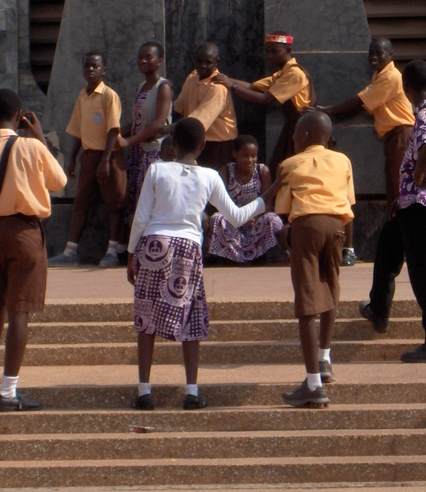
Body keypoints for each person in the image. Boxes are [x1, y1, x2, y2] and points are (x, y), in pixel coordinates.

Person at [127, 118, 277, 411]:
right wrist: (265, 199)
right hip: (188, 247)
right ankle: (192, 392)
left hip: (154, 243)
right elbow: (235, 216)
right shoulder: (209, 176)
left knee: (145, 318)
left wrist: (132, 254)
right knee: (192, 315)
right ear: (203, 146)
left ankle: (145, 391)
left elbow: (141, 217)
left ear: (174, 144)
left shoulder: (156, 169)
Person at [0, 89, 67, 412]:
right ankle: (8, 392)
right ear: (20, 115)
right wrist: (39, 140)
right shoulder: (32, 147)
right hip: (24, 232)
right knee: (19, 309)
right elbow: (59, 181)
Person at [358, 60, 426, 363]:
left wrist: (416, 178)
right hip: (411, 202)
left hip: (421, 202)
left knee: (425, 269)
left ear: (405, 86)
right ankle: (378, 307)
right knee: (388, 246)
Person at [273, 111, 354, 407]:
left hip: (306, 227)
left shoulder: (290, 164)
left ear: (305, 136)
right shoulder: (343, 160)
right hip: (337, 227)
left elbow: (284, 209)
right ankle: (325, 358)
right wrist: (349, 248)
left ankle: (312, 384)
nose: (293, 138)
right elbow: (349, 205)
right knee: (330, 290)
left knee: (307, 303)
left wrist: (284, 235)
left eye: (296, 132)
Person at [319, 38, 415, 266]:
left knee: (399, 189)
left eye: (378, 54)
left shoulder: (392, 77)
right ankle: (400, 243)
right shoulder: (380, 75)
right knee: (394, 190)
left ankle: (405, 245)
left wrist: (329, 110)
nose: (373, 58)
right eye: (370, 53)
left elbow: (361, 101)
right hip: (393, 137)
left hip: (401, 135)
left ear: (390, 54)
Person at [50, 52, 128, 268]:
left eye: (95, 66)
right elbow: (78, 130)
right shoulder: (82, 96)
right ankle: (70, 251)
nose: (90, 70)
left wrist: (105, 161)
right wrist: (73, 157)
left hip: (108, 156)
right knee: (81, 203)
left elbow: (113, 129)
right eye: (87, 66)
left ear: (104, 69)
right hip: (89, 155)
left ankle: (112, 251)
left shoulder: (108, 95)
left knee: (114, 203)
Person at [214, 33, 314, 178]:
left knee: (290, 171)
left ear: (288, 51)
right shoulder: (282, 73)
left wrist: (232, 86)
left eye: (274, 51)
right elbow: (252, 86)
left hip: (301, 128)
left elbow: (265, 99)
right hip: (293, 126)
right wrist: (225, 79)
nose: (269, 56)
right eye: (267, 51)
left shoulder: (295, 73)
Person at [119, 42, 173, 223]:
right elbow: (137, 122)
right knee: (131, 199)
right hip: (137, 151)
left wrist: (129, 141)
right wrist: (115, 133)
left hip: (153, 152)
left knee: (148, 200)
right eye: (140, 57)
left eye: (148, 57)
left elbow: (158, 124)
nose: (143, 61)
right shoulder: (141, 86)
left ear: (159, 61)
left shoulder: (163, 87)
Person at [208, 135, 284, 263]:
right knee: (216, 218)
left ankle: (268, 255)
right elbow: (219, 204)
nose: (250, 160)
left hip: (256, 224)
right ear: (234, 154)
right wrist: (239, 219)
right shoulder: (226, 171)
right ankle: (227, 257)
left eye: (253, 156)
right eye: (245, 156)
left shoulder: (262, 171)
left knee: (273, 219)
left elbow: (268, 204)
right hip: (232, 223)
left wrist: (253, 218)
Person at [170, 42, 237, 171]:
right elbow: (178, 107)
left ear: (216, 62)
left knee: (213, 185)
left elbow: (196, 123)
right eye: (199, 61)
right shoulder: (192, 78)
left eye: (208, 62)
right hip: (196, 141)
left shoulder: (218, 87)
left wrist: (163, 129)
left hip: (217, 146)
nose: (202, 66)